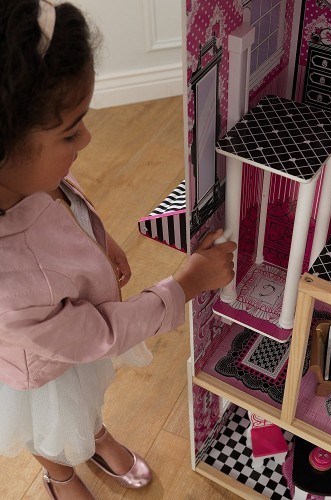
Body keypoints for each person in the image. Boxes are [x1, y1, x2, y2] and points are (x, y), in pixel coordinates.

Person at [0, 1, 236, 498]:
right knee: (47, 423)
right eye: (71, 132)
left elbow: (63, 198)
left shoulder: (23, 174)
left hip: (64, 337)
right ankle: (59, 473)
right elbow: (101, 332)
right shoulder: (8, 283)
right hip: (35, 368)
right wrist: (185, 284)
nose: (86, 138)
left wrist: (99, 238)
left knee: (84, 404)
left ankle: (94, 434)